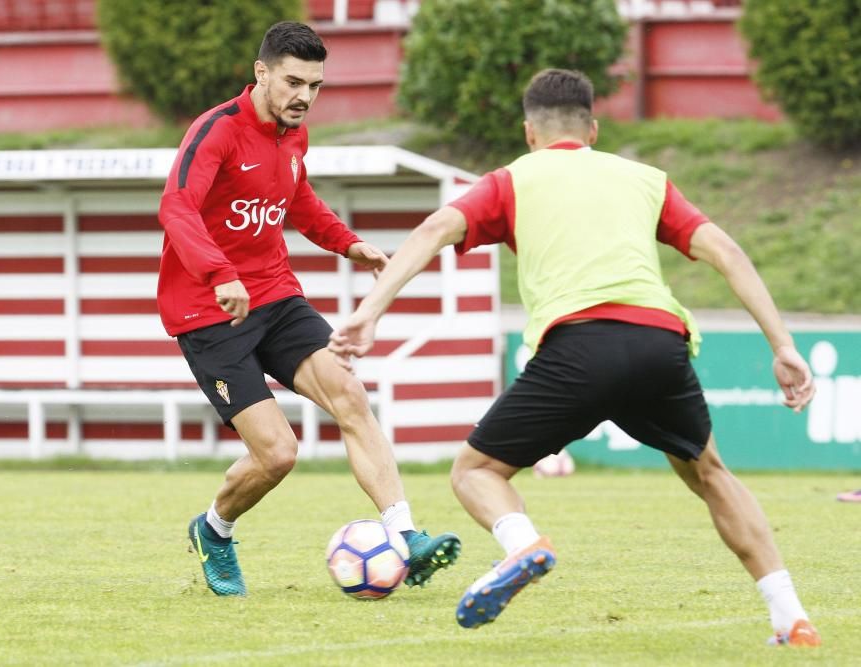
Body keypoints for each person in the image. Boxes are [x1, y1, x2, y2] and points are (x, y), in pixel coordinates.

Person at [329, 68, 820, 646]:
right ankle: (791, 617)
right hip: (659, 343)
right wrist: (782, 346)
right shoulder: (645, 179)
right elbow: (727, 252)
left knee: (476, 472)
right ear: (592, 128)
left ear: (529, 132)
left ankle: (523, 544)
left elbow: (437, 228)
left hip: (578, 346)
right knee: (710, 473)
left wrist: (371, 310)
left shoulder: (513, 178)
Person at [157, 21, 460, 597]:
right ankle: (213, 530)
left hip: (275, 295)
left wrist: (347, 242)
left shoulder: (293, 135)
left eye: (315, 86)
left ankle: (406, 536)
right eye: (293, 82)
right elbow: (176, 207)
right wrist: (219, 274)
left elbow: (297, 199)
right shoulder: (217, 131)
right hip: (208, 311)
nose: (303, 96)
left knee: (349, 394)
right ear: (261, 73)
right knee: (277, 454)